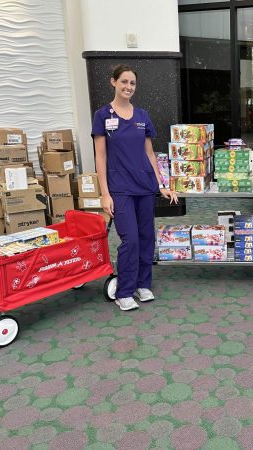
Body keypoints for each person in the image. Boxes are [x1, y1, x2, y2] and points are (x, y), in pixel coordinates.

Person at [92, 64, 178, 311]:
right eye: (124, 82)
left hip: (144, 187)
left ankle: (143, 284)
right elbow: (100, 157)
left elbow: (150, 154)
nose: (129, 87)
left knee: (146, 237)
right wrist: (105, 193)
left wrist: (161, 184)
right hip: (120, 189)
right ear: (113, 82)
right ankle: (125, 291)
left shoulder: (142, 116)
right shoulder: (103, 116)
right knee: (129, 239)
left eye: (132, 83)